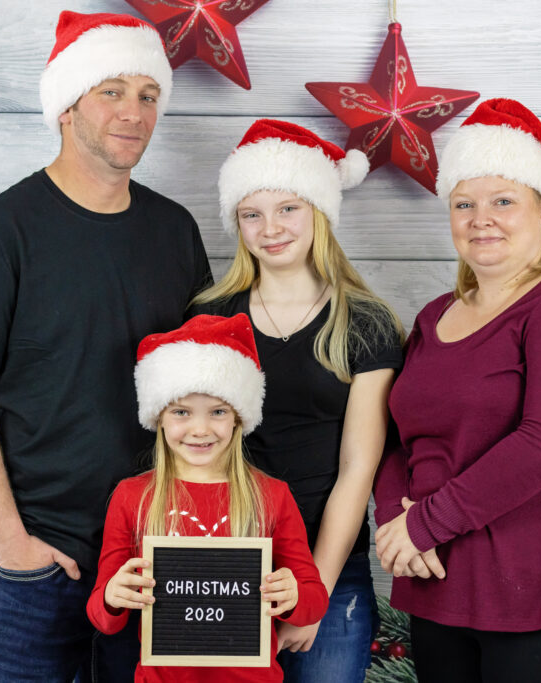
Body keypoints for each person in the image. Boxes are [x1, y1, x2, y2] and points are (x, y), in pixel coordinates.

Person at [0, 11, 211, 682]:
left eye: (148, 95)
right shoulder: (1, 232)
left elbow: (205, 390)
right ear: (66, 105)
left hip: (149, 562)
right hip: (34, 565)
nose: (134, 111)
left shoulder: (175, 231)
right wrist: (12, 543)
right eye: (111, 90)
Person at [373, 98, 541, 683]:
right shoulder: (434, 316)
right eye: (464, 204)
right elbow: (398, 437)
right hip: (442, 575)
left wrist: (425, 523)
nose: (480, 218)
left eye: (503, 201)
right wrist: (398, 519)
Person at [190, 119, 404, 682]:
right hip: (227, 561)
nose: (270, 228)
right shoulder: (209, 316)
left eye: (287, 208)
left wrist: (316, 587)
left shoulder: (365, 322)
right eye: (251, 214)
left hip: (328, 565)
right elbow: (191, 447)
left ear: (318, 211)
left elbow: (359, 468)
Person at [86, 313, 329, 682]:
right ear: (160, 418)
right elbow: (102, 617)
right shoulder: (132, 497)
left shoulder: (271, 496)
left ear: (237, 418)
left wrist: (293, 596)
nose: (200, 430)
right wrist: (112, 596)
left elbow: (313, 602)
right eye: (181, 412)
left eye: (217, 412)